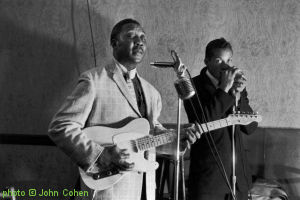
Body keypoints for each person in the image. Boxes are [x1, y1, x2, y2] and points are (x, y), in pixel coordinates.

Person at [48, 18, 200, 200]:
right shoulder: (94, 81)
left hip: (145, 190)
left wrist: (178, 139)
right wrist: (101, 156)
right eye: (131, 35)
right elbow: (60, 126)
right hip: (106, 190)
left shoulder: (152, 93)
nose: (140, 41)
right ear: (114, 43)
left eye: (143, 37)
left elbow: (151, 138)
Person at [183, 38, 258, 200]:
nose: (226, 65)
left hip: (238, 180)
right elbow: (202, 122)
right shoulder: (192, 86)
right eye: (219, 60)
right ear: (206, 61)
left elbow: (250, 128)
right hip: (208, 180)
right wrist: (223, 89)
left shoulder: (236, 85)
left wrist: (238, 96)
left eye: (229, 60)